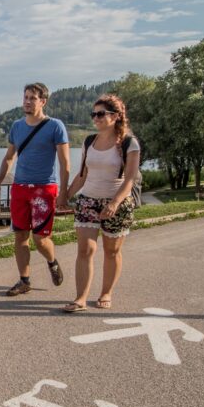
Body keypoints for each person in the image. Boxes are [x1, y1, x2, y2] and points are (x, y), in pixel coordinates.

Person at [61, 94, 141, 312]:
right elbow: (82, 175)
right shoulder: (89, 141)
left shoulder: (128, 143)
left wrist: (115, 203)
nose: (95, 118)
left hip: (116, 202)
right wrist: (65, 196)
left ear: (115, 116)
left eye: (100, 114)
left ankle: (106, 292)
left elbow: (130, 179)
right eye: (93, 114)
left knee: (111, 251)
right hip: (88, 200)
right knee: (85, 249)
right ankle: (80, 298)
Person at [0, 82, 71, 295]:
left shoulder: (55, 126)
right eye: (25, 97)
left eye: (32, 98)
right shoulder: (17, 126)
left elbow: (65, 163)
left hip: (44, 189)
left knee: (40, 238)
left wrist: (63, 192)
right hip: (19, 188)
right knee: (20, 236)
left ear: (43, 101)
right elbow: (9, 157)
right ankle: (24, 280)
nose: (27, 101)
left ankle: (52, 261)